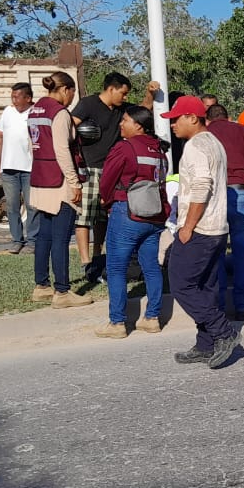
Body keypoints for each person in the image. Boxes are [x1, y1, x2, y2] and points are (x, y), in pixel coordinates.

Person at [162, 95, 240, 369]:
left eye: (176, 119)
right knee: (206, 287)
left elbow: (202, 186)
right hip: (216, 229)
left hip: (201, 229)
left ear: (193, 118)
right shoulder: (214, 142)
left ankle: (224, 332)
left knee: (181, 284)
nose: (173, 125)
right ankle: (206, 344)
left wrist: (187, 227)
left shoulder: (195, 145)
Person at [71, 74, 161, 283]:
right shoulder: (88, 104)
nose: (124, 96)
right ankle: (86, 263)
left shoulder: (121, 110)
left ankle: (97, 256)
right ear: (111, 89)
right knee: (85, 216)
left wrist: (150, 94)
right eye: (123, 92)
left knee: (103, 217)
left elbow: (141, 113)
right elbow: (70, 127)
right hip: (91, 168)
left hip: (113, 169)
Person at [95, 105, 170, 339]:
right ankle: (152, 318)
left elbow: (107, 180)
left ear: (138, 125)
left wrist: (106, 203)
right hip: (154, 216)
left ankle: (117, 322)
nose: (121, 124)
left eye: (125, 120)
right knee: (151, 266)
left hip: (127, 212)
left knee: (116, 267)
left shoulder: (125, 148)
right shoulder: (159, 150)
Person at [28, 71, 93, 309]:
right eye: (72, 93)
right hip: (59, 182)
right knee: (61, 238)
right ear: (65, 89)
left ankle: (41, 286)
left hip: (40, 178)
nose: (72, 98)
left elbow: (32, 146)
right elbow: (62, 150)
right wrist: (74, 182)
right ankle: (63, 291)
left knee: (44, 234)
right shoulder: (59, 113)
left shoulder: (35, 110)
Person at [204, 102, 244, 320]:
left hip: (215, 197)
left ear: (207, 119)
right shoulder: (243, 130)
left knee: (216, 252)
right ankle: (243, 307)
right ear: (229, 116)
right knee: (243, 253)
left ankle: (219, 307)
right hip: (242, 194)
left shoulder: (205, 134)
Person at [0, 82, 40, 253]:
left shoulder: (35, 112)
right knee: (12, 206)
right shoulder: (7, 112)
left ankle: (33, 241)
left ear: (28, 98)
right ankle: (16, 240)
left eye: (17, 97)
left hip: (30, 168)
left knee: (32, 206)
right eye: (12, 96)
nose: (13, 100)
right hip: (9, 168)